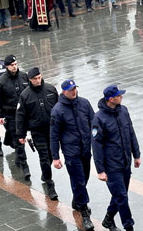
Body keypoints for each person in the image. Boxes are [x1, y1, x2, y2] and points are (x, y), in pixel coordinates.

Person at [92, 85, 141, 231]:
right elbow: (96, 146)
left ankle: (108, 219)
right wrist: (100, 170)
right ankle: (129, 227)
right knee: (122, 197)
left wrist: (136, 154)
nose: (122, 97)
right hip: (111, 165)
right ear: (111, 99)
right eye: (119, 96)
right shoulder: (98, 118)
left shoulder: (123, 111)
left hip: (125, 161)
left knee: (120, 194)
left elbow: (131, 132)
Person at [50, 79, 95, 229]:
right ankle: (84, 213)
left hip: (85, 149)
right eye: (70, 90)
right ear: (64, 92)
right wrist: (55, 157)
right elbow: (54, 135)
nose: (74, 91)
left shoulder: (84, 103)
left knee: (85, 177)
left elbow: (94, 123)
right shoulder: (57, 110)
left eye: (75, 88)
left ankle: (77, 199)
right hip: (71, 152)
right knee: (78, 180)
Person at [16, 66, 59, 200]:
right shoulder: (25, 95)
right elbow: (21, 116)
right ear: (30, 79)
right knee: (44, 157)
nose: (38, 80)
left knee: (52, 154)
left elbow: (59, 108)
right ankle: (49, 183)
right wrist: (21, 134)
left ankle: (45, 173)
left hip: (52, 130)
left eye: (39, 77)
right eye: (35, 79)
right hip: (37, 131)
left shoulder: (51, 89)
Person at [0, 55, 31, 179]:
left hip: (25, 113)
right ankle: (25, 165)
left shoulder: (24, 76)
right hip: (11, 115)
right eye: (11, 65)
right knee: (19, 140)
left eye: (15, 64)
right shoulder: (1, 81)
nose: (14, 67)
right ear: (6, 66)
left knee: (23, 137)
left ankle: (18, 155)